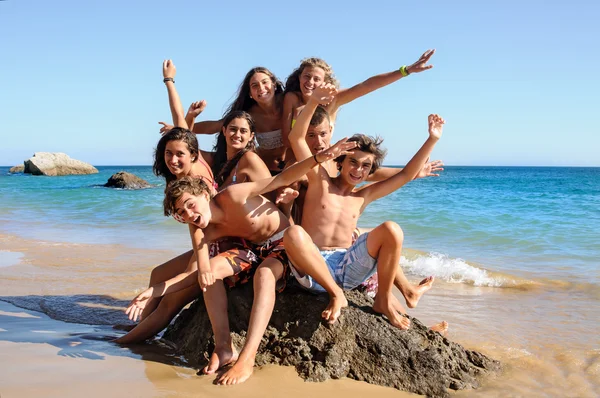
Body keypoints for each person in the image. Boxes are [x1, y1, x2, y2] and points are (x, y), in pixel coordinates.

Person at [121, 139, 357, 386]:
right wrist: (153, 291)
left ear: (204, 194)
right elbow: (197, 272)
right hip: (250, 249)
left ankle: (248, 357)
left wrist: (321, 157)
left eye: (190, 205)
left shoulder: (233, 195)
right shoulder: (200, 229)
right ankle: (224, 347)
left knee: (264, 275)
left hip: (281, 245)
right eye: (181, 213)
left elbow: (281, 179)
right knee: (209, 275)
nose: (189, 215)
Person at [285, 85, 445, 330]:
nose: (358, 170)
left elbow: (405, 175)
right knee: (294, 233)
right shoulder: (320, 180)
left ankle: (382, 302)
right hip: (313, 268)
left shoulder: (364, 195)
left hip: (348, 266)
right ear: (340, 161)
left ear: (371, 171)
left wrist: (432, 139)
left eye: (365, 166)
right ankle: (335, 294)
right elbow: (296, 137)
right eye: (353, 162)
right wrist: (314, 102)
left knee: (392, 229)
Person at [282, 49, 436, 140]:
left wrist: (405, 71)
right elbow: (287, 139)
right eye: (307, 76)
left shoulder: (333, 99)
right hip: (295, 165)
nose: (310, 82)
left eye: (316, 79)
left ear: (325, 82)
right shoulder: (292, 99)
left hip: (322, 164)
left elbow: (367, 85)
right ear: (300, 77)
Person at [162, 67, 288, 174]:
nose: (261, 88)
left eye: (265, 82)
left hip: (291, 167)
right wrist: (177, 128)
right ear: (250, 93)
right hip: (263, 170)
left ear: (274, 84)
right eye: (254, 85)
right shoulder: (248, 115)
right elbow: (213, 127)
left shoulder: (288, 103)